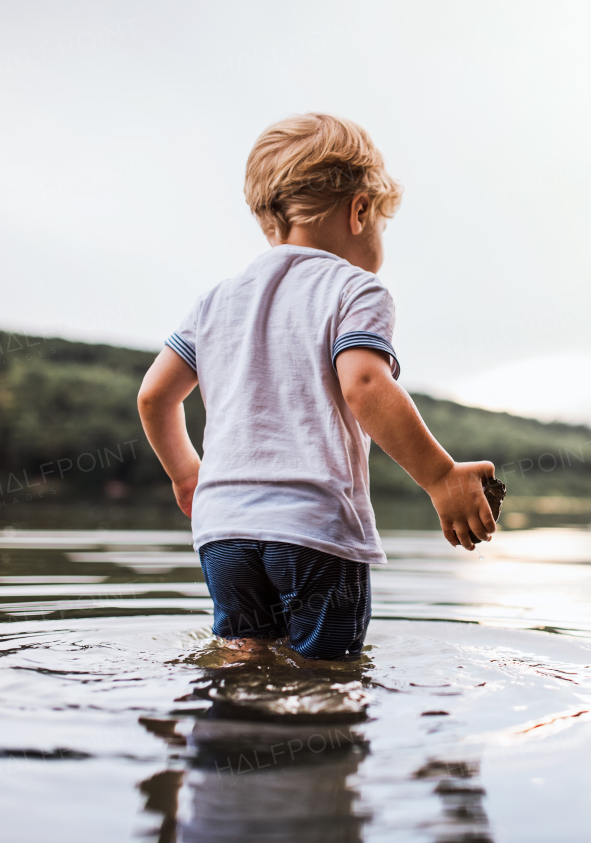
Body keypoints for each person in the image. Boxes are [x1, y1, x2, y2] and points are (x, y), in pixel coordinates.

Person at [137, 113, 496, 661]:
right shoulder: (357, 289)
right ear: (360, 211)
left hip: (222, 529)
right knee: (328, 678)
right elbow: (365, 384)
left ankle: (235, 733)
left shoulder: (217, 301)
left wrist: (188, 474)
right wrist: (441, 475)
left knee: (244, 660)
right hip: (314, 529)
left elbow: (155, 397)